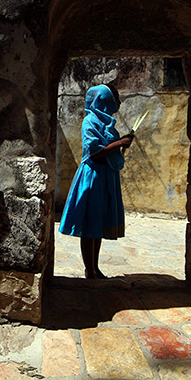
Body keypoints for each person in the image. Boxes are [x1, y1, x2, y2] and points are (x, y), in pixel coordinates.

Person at [59, 84, 134, 279]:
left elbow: (107, 148)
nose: (118, 102)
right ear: (104, 100)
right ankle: (89, 269)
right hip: (93, 177)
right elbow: (94, 152)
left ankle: (94, 268)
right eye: (114, 97)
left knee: (97, 224)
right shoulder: (90, 121)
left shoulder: (107, 122)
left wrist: (121, 142)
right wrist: (119, 143)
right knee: (90, 223)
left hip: (105, 176)